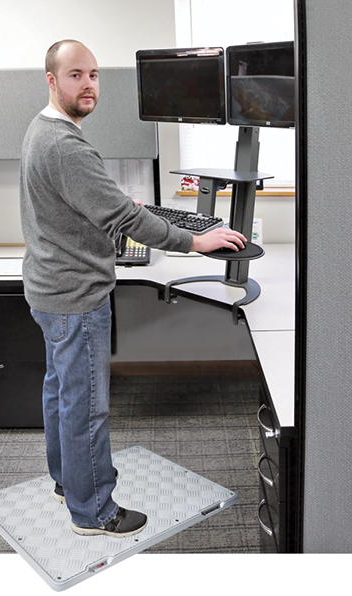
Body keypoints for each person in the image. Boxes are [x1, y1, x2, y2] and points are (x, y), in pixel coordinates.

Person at [20, 39, 246, 538]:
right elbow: (124, 219)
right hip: (75, 298)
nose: (89, 85)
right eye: (76, 75)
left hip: (49, 289)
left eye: (94, 75)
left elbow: (84, 204)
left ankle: (67, 482)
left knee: (62, 395)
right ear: (52, 80)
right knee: (86, 407)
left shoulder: (43, 129)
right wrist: (195, 241)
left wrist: (118, 205)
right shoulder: (65, 145)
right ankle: (94, 513)